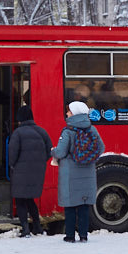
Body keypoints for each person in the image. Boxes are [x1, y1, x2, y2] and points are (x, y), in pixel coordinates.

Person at [52, 101, 103, 242]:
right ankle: (83, 235)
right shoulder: (92, 130)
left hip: (70, 173)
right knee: (84, 206)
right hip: (87, 171)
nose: (67, 113)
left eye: (69, 111)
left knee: (70, 206)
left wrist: (53, 151)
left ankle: (70, 236)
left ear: (74, 114)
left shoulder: (68, 131)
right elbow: (101, 148)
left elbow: (61, 152)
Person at [7, 105, 52, 237]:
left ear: (20, 119)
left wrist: (12, 166)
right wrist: (38, 163)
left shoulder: (18, 133)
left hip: (20, 172)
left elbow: (12, 154)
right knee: (30, 199)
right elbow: (50, 151)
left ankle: (25, 229)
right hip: (37, 171)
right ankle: (37, 226)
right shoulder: (42, 131)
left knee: (20, 200)